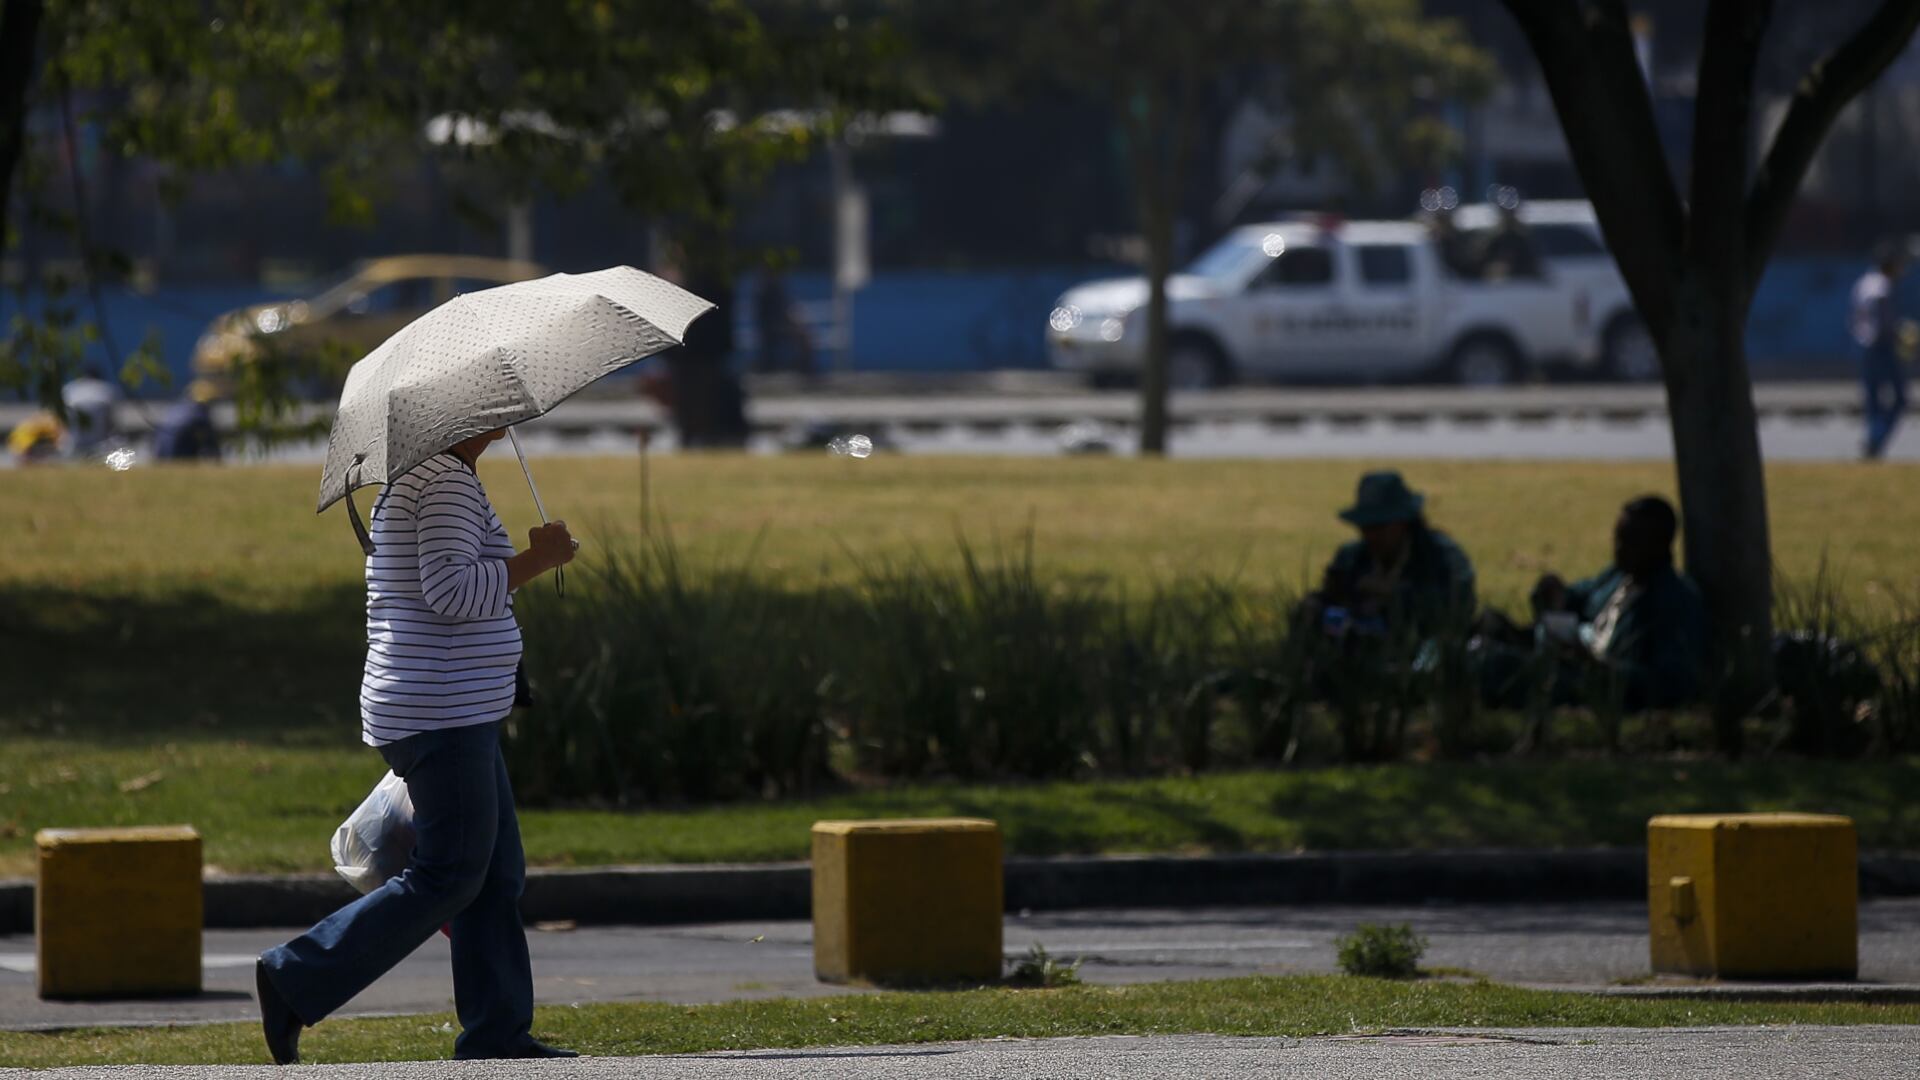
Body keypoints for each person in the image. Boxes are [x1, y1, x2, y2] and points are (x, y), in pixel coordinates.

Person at [256, 428, 580, 1064]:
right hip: (443, 709)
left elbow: (449, 586)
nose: (510, 414)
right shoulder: (442, 484)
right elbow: (452, 592)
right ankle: (295, 975)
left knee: (492, 876)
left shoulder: (434, 477)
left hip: (455, 706)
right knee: (451, 874)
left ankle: (497, 1033)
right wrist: (538, 561)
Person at [1479, 495, 1707, 713]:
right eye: (1618, 538)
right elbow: (1577, 597)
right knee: (1489, 623)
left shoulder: (1675, 601)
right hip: (1566, 654)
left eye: (1631, 541)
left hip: (1589, 680)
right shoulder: (1618, 576)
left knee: (1495, 664)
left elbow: (1673, 683)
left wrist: (1600, 666)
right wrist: (1556, 593)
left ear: (1659, 545)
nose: (1619, 548)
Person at [1302, 471, 1477, 643]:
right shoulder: (1351, 558)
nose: (1371, 536)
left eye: (1379, 527)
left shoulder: (1443, 557)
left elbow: (1456, 609)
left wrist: (1395, 595)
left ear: (1403, 522)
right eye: (1366, 527)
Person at [1852, 238, 1912, 459]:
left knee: (1873, 398)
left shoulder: (1863, 283)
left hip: (1864, 345)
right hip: (1881, 346)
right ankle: (1876, 439)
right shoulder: (1882, 288)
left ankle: (1873, 441)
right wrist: (1902, 337)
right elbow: (1883, 321)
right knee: (1899, 397)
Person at [152, 380, 224, 461]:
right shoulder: (199, 413)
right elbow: (211, 442)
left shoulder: (178, 407)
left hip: (161, 453)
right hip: (177, 455)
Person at [60, 366, 119, 454]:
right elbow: (112, 421)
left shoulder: (68, 389)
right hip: (101, 445)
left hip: (74, 444)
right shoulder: (108, 390)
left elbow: (63, 420)